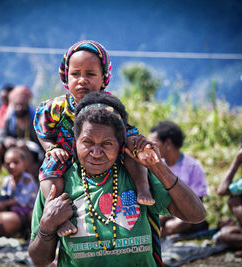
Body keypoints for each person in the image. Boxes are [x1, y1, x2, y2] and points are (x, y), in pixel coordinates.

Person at [28, 92, 206, 266]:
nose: (96, 153)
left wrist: (156, 166)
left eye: (107, 144)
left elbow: (196, 215)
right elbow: (39, 260)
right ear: (75, 141)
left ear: (120, 144)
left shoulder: (138, 176)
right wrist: (47, 226)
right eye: (88, 142)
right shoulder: (57, 184)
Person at [34, 40, 154, 237]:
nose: (82, 80)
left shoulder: (109, 104)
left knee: (131, 153)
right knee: (50, 169)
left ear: (104, 77)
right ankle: (58, 216)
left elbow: (121, 128)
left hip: (105, 149)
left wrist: (134, 141)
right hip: (65, 150)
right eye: (75, 74)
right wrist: (51, 148)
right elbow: (42, 127)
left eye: (90, 74)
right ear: (66, 76)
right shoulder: (55, 107)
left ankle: (143, 188)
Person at [149, 121, 208, 237]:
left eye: (154, 143)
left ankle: (156, 235)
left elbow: (197, 201)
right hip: (162, 211)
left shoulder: (193, 166)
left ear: (168, 144)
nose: (150, 147)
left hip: (182, 214)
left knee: (180, 223)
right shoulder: (155, 166)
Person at [0, 147, 38, 238]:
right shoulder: (7, 180)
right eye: (8, 164)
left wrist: (4, 203)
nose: (12, 166)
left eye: (16, 163)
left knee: (32, 216)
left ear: (25, 164)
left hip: (27, 208)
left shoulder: (27, 179)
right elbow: (2, 196)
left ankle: (30, 233)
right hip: (13, 209)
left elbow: (23, 200)